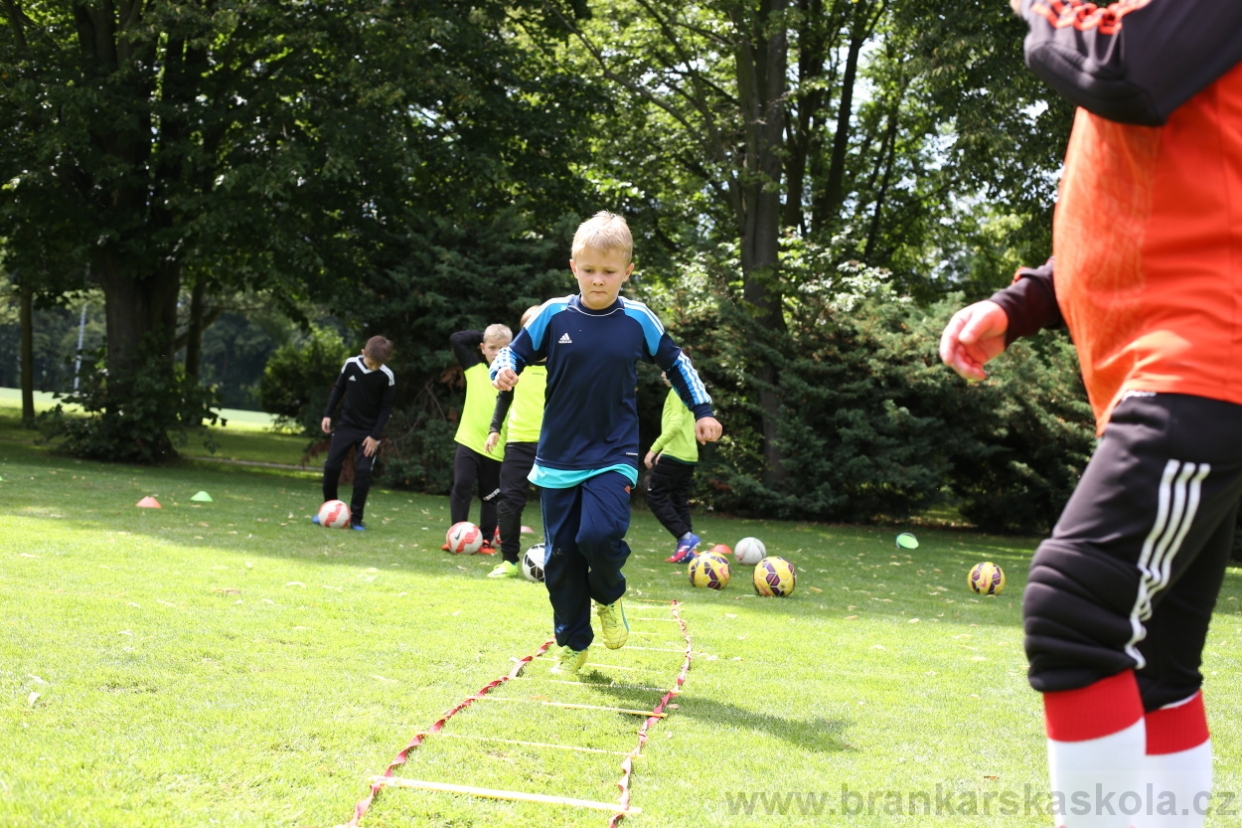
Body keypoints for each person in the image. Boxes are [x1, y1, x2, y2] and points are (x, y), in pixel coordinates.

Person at [940, 4, 1242, 826]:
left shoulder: (1144, 31)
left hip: (1202, 366)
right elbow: (1140, 202)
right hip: (1187, 373)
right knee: (1160, 670)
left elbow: (1125, 73)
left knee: (1072, 611)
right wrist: (1021, 303)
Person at [491, 211, 722, 674]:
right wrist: (504, 369)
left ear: (627, 272)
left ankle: (609, 596)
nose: (598, 280)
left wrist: (703, 410)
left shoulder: (637, 319)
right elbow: (511, 352)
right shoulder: (554, 315)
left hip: (613, 453)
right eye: (589, 270)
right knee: (561, 558)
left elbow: (677, 363)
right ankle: (573, 643)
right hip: (557, 457)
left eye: (609, 272)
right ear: (573, 267)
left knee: (598, 536)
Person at [484, 305, 548, 579]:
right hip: (518, 442)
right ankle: (509, 561)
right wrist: (494, 429)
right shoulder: (515, 363)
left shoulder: (562, 363)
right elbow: (505, 396)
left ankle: (560, 559)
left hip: (553, 445)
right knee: (509, 502)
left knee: (556, 505)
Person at [315, 335, 395, 531]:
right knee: (331, 467)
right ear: (363, 352)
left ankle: (356, 519)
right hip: (345, 427)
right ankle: (328, 510)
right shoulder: (350, 365)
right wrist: (328, 414)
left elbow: (386, 409)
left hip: (369, 433)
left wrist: (374, 436)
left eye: (378, 364)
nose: (374, 367)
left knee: (363, 472)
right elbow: (338, 389)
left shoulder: (387, 376)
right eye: (371, 362)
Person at [446, 324, 511, 555]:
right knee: (461, 486)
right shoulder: (474, 368)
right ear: (482, 348)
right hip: (469, 442)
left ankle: (485, 540)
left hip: (496, 448)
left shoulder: (514, 377)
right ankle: (456, 536)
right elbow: (457, 339)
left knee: (490, 496)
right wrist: (487, 334)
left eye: (503, 348)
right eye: (492, 347)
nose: (497, 352)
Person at [646, 372, 702, 564]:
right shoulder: (688, 391)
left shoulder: (676, 391)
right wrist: (666, 448)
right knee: (679, 501)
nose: (662, 374)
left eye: (666, 369)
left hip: (675, 454)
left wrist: (654, 449)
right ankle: (687, 551)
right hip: (688, 455)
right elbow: (687, 425)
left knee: (655, 496)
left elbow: (676, 424)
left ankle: (686, 537)